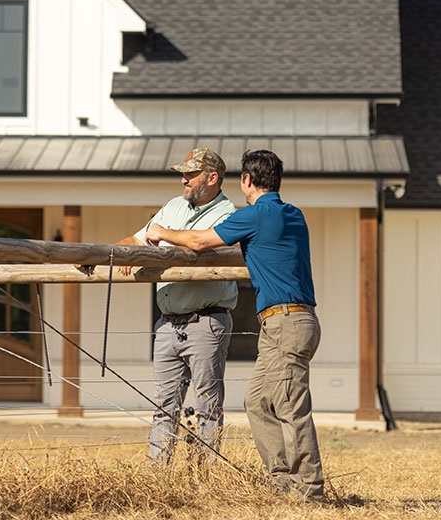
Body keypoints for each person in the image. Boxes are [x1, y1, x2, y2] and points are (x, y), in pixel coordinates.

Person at [144, 149, 325, 501]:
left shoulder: (255, 215)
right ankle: (283, 482)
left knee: (290, 405)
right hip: (287, 322)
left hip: (286, 321)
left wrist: (160, 230)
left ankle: (311, 492)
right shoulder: (293, 213)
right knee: (257, 402)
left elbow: (198, 241)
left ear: (246, 181)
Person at [102, 148, 239, 463]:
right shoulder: (173, 206)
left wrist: (162, 234)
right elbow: (136, 240)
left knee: (207, 404)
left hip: (206, 321)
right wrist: (110, 254)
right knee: (164, 405)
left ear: (212, 177)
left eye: (191, 174)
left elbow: (198, 243)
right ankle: (158, 476)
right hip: (167, 322)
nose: (184, 180)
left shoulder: (228, 213)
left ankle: (205, 476)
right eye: (184, 174)